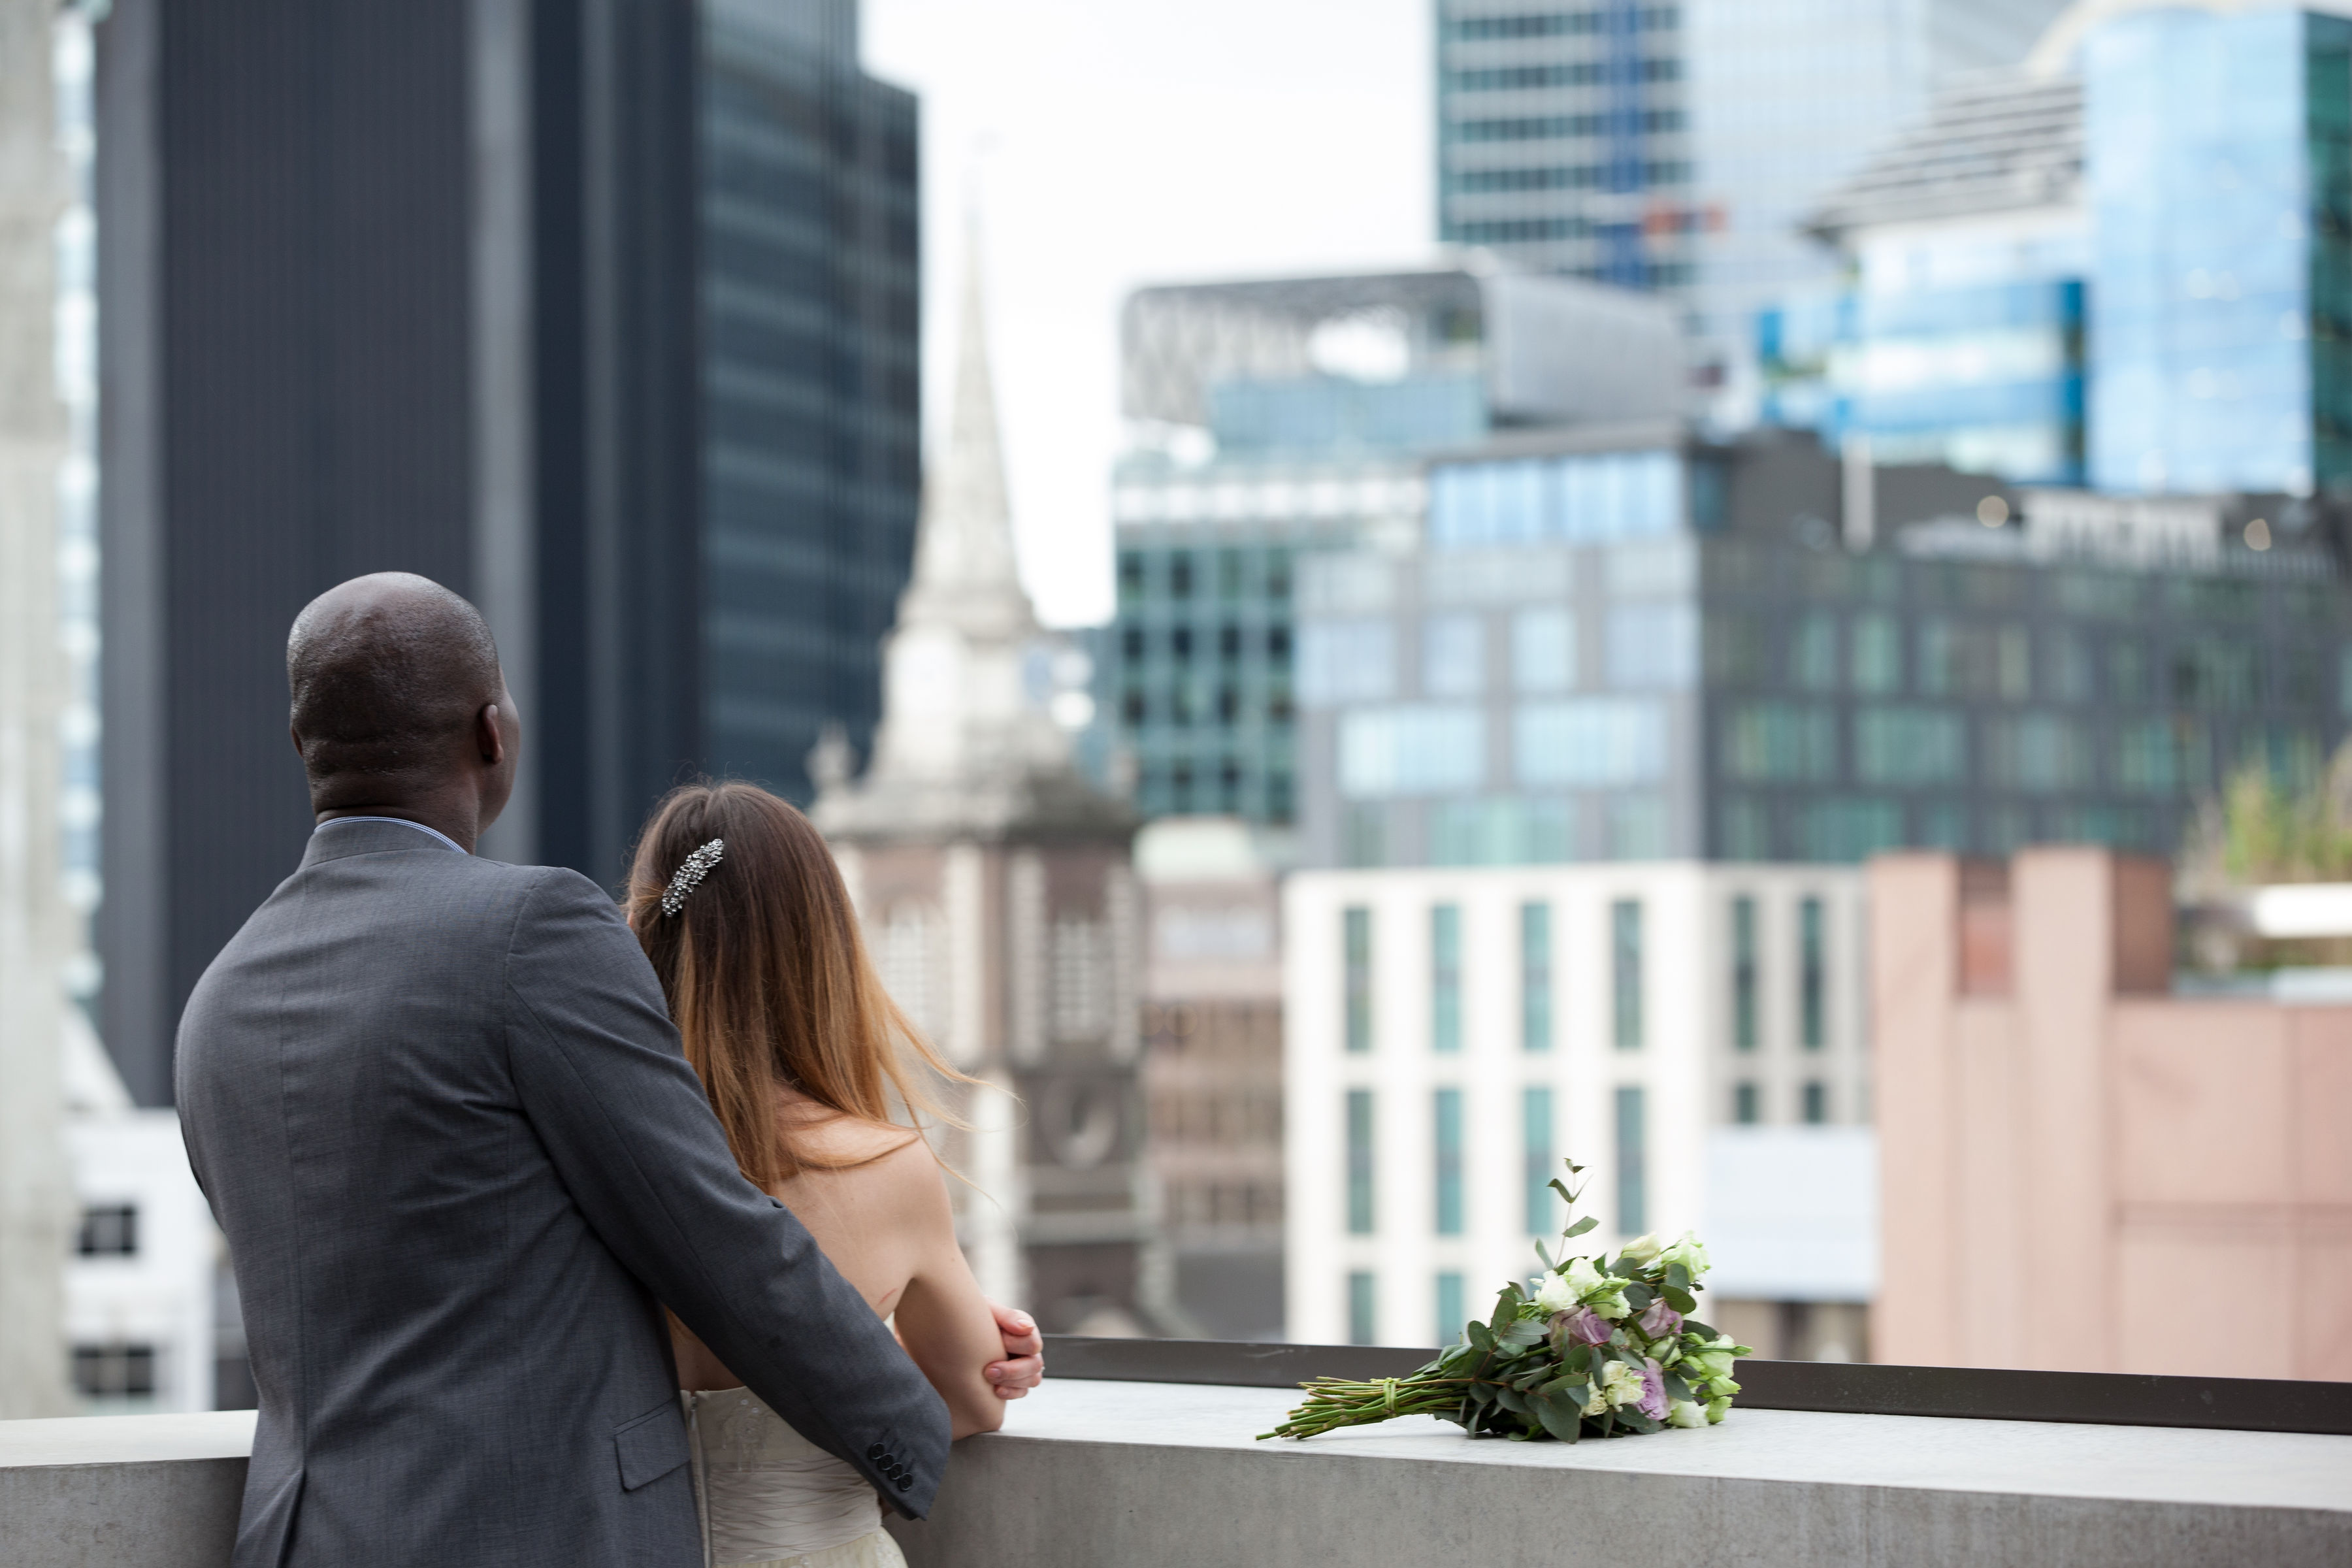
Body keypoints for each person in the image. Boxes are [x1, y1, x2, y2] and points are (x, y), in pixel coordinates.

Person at [175, 574, 1039, 1568]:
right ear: (494, 731)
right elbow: (713, 1235)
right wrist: (918, 1410)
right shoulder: (526, 932)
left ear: (302, 746)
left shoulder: (219, 999)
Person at [624, 782, 1008, 1567]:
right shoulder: (886, 1167)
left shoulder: (589, 1160)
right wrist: (880, 1331)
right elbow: (971, 1401)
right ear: (820, 946)